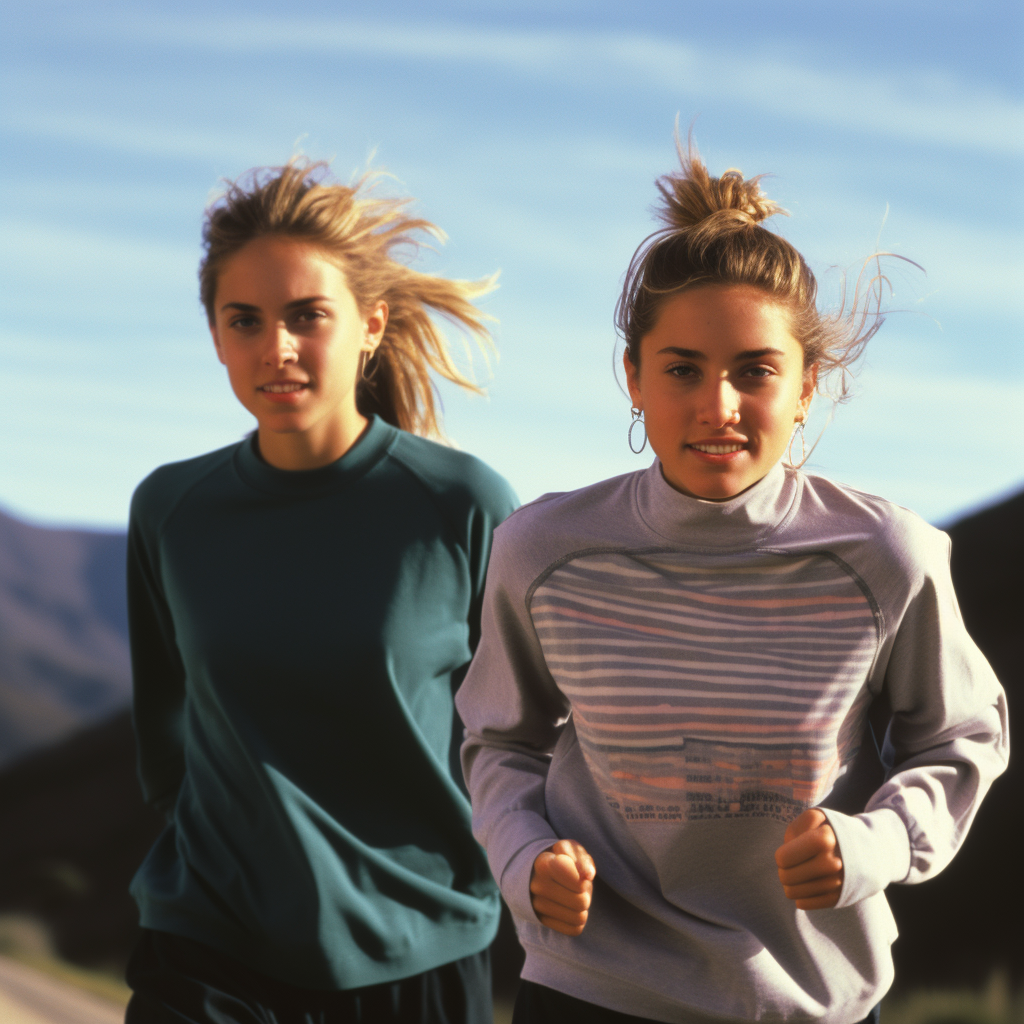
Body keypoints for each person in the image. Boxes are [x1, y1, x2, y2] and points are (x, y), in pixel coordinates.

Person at [456, 138, 1008, 1024]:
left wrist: (871, 846)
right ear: (633, 378)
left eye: (755, 371)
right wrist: (525, 857)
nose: (718, 406)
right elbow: (499, 743)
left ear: (806, 386)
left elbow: (962, 738)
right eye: (682, 370)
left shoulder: (888, 555)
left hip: (807, 998)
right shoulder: (541, 551)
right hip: (590, 990)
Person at [125, 158, 518, 1024]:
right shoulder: (171, 510)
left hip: (418, 950)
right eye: (245, 320)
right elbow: (166, 731)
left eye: (308, 316)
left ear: (370, 325)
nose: (277, 349)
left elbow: (523, 735)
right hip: (207, 939)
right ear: (217, 336)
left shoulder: (460, 507)